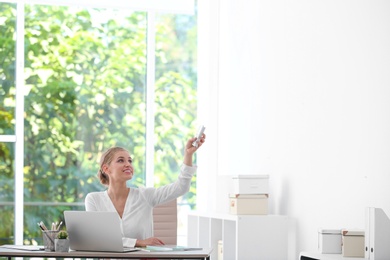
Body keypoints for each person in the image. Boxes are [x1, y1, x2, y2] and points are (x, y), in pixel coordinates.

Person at [84, 133, 206, 248]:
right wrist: (139, 242)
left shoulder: (145, 196)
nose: (128, 164)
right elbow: (97, 238)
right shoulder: (94, 199)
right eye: (121, 160)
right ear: (106, 168)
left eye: (130, 161)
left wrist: (188, 154)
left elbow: (181, 187)